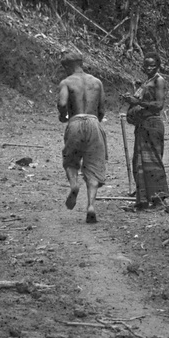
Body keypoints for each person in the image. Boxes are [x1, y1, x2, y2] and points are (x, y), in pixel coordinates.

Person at [57, 48, 107, 222]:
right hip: (94, 122)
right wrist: (95, 120)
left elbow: (62, 103)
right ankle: (91, 205)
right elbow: (102, 109)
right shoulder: (97, 82)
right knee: (93, 165)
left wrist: (63, 116)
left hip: (75, 122)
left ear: (68, 66)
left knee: (71, 160)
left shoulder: (66, 82)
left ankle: (74, 185)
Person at [121, 52, 169, 210]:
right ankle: (142, 201)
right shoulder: (146, 82)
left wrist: (138, 102)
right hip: (142, 126)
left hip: (152, 125)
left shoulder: (159, 81)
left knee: (153, 162)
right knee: (140, 162)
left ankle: (158, 200)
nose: (148, 68)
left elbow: (158, 105)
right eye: (146, 65)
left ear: (158, 66)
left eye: (152, 65)